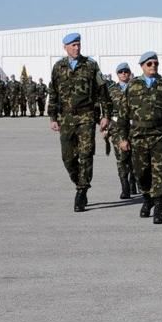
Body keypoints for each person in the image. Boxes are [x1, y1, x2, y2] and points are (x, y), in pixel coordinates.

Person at [116, 52, 162, 225]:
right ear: (142, 66)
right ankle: (147, 198)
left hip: (159, 135)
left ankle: (159, 208)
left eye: (156, 63)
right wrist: (122, 138)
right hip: (138, 135)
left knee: (159, 172)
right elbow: (123, 116)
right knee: (141, 173)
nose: (153, 66)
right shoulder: (133, 86)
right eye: (149, 64)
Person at [47, 32, 111, 212]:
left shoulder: (90, 65)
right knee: (67, 157)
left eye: (78, 44)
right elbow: (53, 93)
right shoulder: (58, 67)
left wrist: (105, 115)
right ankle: (79, 181)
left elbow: (102, 91)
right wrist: (52, 117)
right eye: (73, 45)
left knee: (85, 154)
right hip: (66, 118)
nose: (76, 48)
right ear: (65, 47)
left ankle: (82, 191)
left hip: (86, 116)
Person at [105, 62, 138, 200]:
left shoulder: (137, 88)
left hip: (134, 127)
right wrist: (105, 127)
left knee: (135, 157)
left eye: (126, 71)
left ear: (130, 73)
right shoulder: (111, 90)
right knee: (121, 158)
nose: (124, 73)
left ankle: (133, 182)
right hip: (117, 127)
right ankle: (125, 186)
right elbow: (106, 108)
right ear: (117, 74)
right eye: (121, 72)